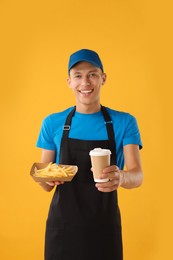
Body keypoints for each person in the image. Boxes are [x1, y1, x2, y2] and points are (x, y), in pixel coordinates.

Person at [36, 49, 143, 260]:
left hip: (104, 228)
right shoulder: (53, 123)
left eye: (92, 74)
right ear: (69, 81)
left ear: (103, 78)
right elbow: (45, 181)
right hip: (63, 229)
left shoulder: (124, 122)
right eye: (78, 75)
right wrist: (45, 177)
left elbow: (137, 175)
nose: (85, 82)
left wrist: (121, 177)